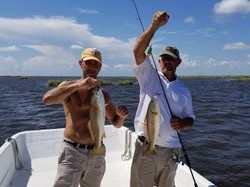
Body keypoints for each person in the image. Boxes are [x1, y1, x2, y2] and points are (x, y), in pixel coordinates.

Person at [42, 47, 128, 187]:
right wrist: (79, 84)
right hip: (72, 151)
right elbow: (47, 99)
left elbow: (116, 123)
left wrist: (121, 117)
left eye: (96, 64)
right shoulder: (68, 87)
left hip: (97, 151)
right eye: (89, 63)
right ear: (80, 63)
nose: (92, 67)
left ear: (100, 67)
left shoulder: (103, 94)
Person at [130, 11, 195, 187]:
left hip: (172, 149)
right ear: (158, 61)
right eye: (164, 58)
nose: (167, 62)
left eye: (171, 59)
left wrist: (183, 123)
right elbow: (137, 51)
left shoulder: (184, 90)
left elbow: (191, 119)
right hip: (147, 146)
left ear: (178, 62)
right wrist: (154, 26)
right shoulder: (149, 76)